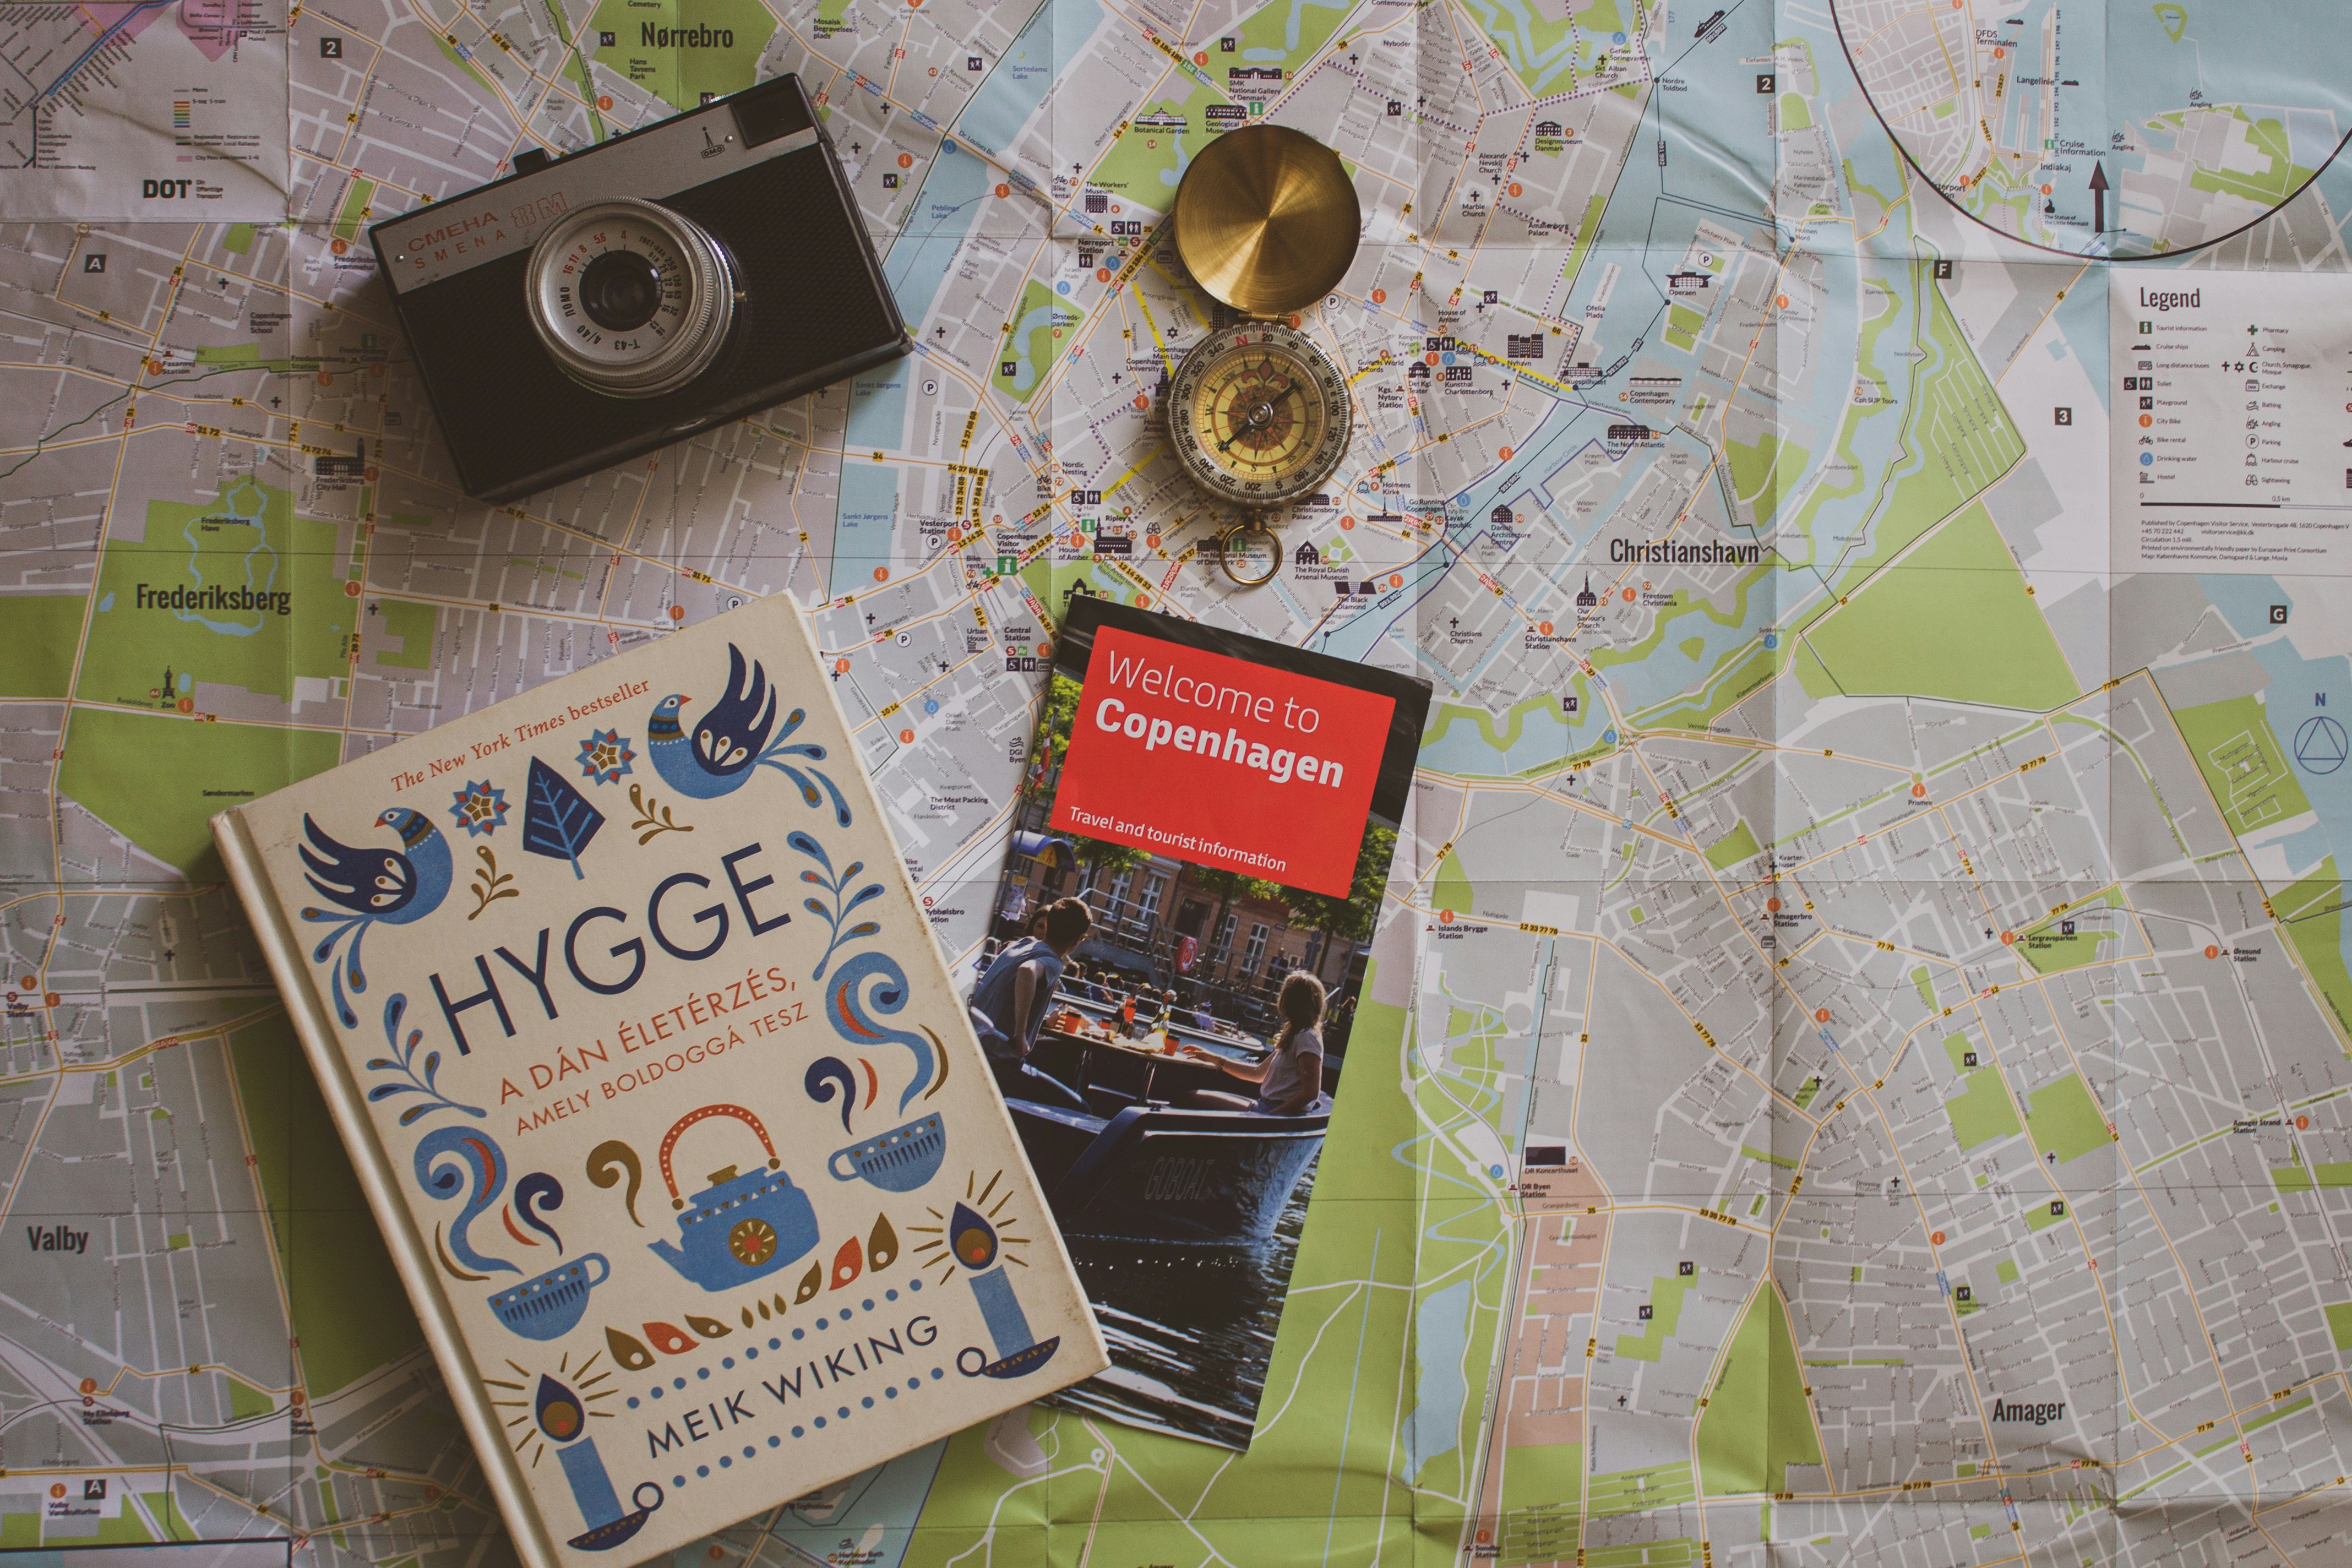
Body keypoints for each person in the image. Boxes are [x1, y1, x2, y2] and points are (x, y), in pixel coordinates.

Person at [968, 897, 1092, 1110]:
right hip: (998, 1060)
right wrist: (1021, 1034)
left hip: (973, 1043)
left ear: (1048, 925)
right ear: (1080, 939)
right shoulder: (1053, 962)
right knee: (1080, 1110)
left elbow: (1006, 995)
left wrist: (1041, 1022)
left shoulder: (1023, 944)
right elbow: (1027, 972)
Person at [1182, 971, 1326, 1114]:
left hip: (1269, 1111)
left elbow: (1311, 1092)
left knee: (1192, 1097)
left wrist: (1270, 1117)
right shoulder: (1295, 1034)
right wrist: (1214, 1058)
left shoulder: (1307, 1037)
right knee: (1194, 1096)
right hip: (1264, 1105)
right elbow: (1258, 1074)